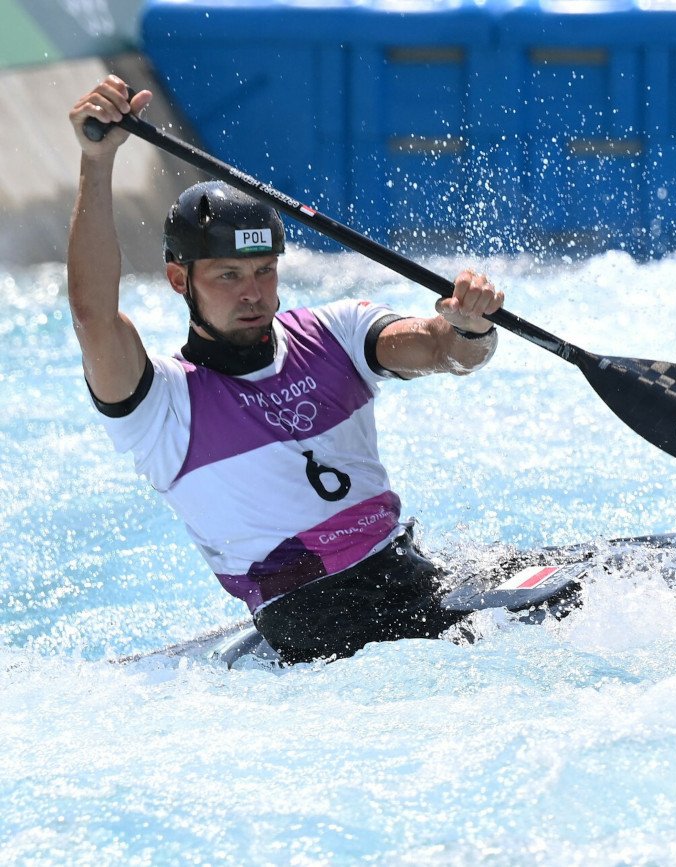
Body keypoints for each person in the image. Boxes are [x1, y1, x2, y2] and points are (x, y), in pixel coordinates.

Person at [67, 76, 505, 663]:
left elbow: (440, 348)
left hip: (407, 571)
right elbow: (94, 315)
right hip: (311, 618)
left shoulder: (336, 332)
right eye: (228, 275)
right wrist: (97, 163)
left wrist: (471, 326)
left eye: (264, 271)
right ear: (180, 281)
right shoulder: (160, 406)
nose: (253, 294)